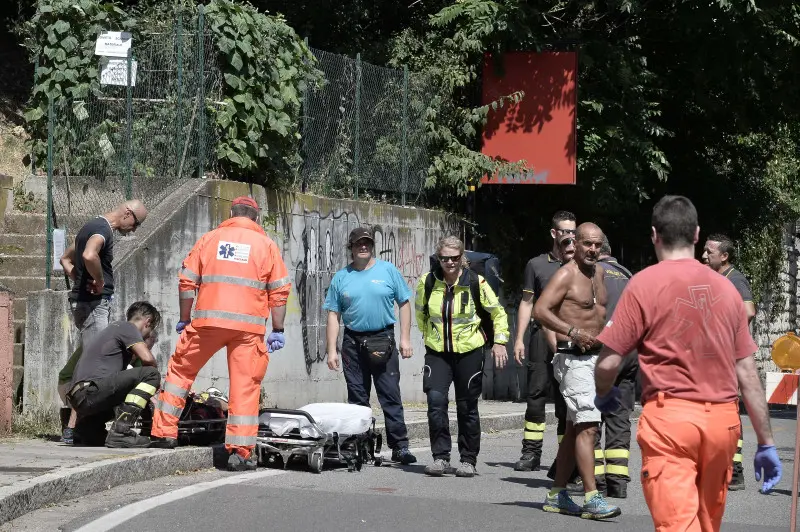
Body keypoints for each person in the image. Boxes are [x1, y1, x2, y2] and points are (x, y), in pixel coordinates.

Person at [594, 195, 782, 532]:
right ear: (696, 235)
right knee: (707, 524)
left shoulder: (643, 285)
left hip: (671, 422)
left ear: (654, 235)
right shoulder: (727, 292)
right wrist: (765, 443)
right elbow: (748, 374)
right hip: (723, 424)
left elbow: (608, 362)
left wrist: (604, 394)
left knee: (679, 526)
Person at [149, 196, 291, 472]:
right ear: (256, 217)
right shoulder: (266, 246)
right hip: (248, 330)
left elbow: (187, 281)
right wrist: (278, 329)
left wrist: (184, 318)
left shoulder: (210, 239)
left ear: (231, 213)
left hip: (207, 324)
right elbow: (279, 292)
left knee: (180, 373)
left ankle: (164, 433)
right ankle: (240, 451)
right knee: (245, 386)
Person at [534, 222, 621, 520]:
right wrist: (572, 332)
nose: (592, 249)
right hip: (573, 359)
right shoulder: (566, 274)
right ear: (576, 242)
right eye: (587, 244)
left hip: (594, 359)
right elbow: (540, 310)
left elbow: (599, 315)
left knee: (574, 429)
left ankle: (557, 495)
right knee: (588, 426)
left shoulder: (599, 273)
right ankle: (591, 497)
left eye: (597, 245)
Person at [416, 236, 510, 478]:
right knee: (435, 402)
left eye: (455, 258)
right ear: (438, 258)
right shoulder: (427, 282)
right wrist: (430, 337)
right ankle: (440, 458)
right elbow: (421, 313)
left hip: (469, 352)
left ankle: (468, 459)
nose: (449, 262)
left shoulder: (475, 282)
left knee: (467, 406)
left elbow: (497, 312)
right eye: (444, 258)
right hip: (437, 353)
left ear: (462, 259)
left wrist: (500, 341)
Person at [324, 226, 417, 465]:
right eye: (358, 244)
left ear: (372, 245)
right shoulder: (341, 277)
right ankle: (360, 446)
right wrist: (331, 350)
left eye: (367, 243)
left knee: (390, 395)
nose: (363, 247)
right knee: (357, 398)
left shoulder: (388, 271)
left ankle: (400, 447)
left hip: (382, 339)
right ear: (351, 248)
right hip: (353, 343)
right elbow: (334, 314)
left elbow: (404, 303)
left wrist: (405, 339)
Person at [58, 200, 148, 444]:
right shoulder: (103, 230)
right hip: (94, 306)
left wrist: (78, 279)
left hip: (85, 303)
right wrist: (97, 281)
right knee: (95, 370)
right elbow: (88, 254)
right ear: (128, 214)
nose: (134, 230)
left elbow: (66, 259)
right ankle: (74, 429)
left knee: (93, 364)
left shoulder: (89, 226)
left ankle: (80, 427)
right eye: (136, 224)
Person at [513, 210, 576, 472]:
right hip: (541, 336)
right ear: (554, 233)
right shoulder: (537, 265)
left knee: (565, 400)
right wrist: (519, 339)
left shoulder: (580, 265)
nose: (569, 237)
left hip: (570, 338)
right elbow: (527, 303)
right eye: (565, 231)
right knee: (536, 395)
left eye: (574, 232)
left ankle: (565, 456)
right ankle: (531, 453)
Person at [67, 301, 161, 448]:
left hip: (80, 398)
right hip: (91, 391)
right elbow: (148, 360)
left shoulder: (112, 330)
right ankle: (121, 433)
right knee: (151, 374)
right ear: (147, 322)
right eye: (150, 331)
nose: (147, 336)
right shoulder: (128, 328)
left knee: (96, 438)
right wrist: (155, 388)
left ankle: (85, 429)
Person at [702, 233, 756, 491]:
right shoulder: (716, 279)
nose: (703, 256)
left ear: (724, 256)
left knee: (728, 411)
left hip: (728, 358)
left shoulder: (735, 279)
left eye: (709, 252)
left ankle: (735, 472)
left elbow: (748, 311)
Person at [593, 236, 636, 498]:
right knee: (619, 417)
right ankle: (618, 483)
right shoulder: (629, 276)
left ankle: (595, 480)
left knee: (593, 416)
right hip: (630, 354)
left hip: (603, 352)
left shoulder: (593, 273)